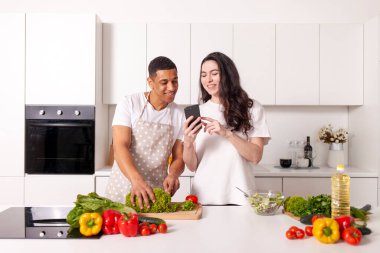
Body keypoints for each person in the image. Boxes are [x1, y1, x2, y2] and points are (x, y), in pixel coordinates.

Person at [183, 52, 271, 205]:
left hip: (241, 196)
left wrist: (227, 133)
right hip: (204, 197)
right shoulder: (197, 112)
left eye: (214, 74)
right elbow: (192, 166)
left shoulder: (251, 108)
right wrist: (188, 142)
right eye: (203, 75)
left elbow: (256, 156)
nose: (208, 80)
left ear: (228, 75)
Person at [105, 56, 185, 208]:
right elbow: (120, 146)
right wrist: (137, 181)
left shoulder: (178, 114)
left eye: (175, 81)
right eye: (164, 82)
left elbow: (179, 157)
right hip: (122, 190)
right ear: (150, 82)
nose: (172, 87)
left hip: (155, 195)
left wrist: (173, 174)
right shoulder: (130, 103)